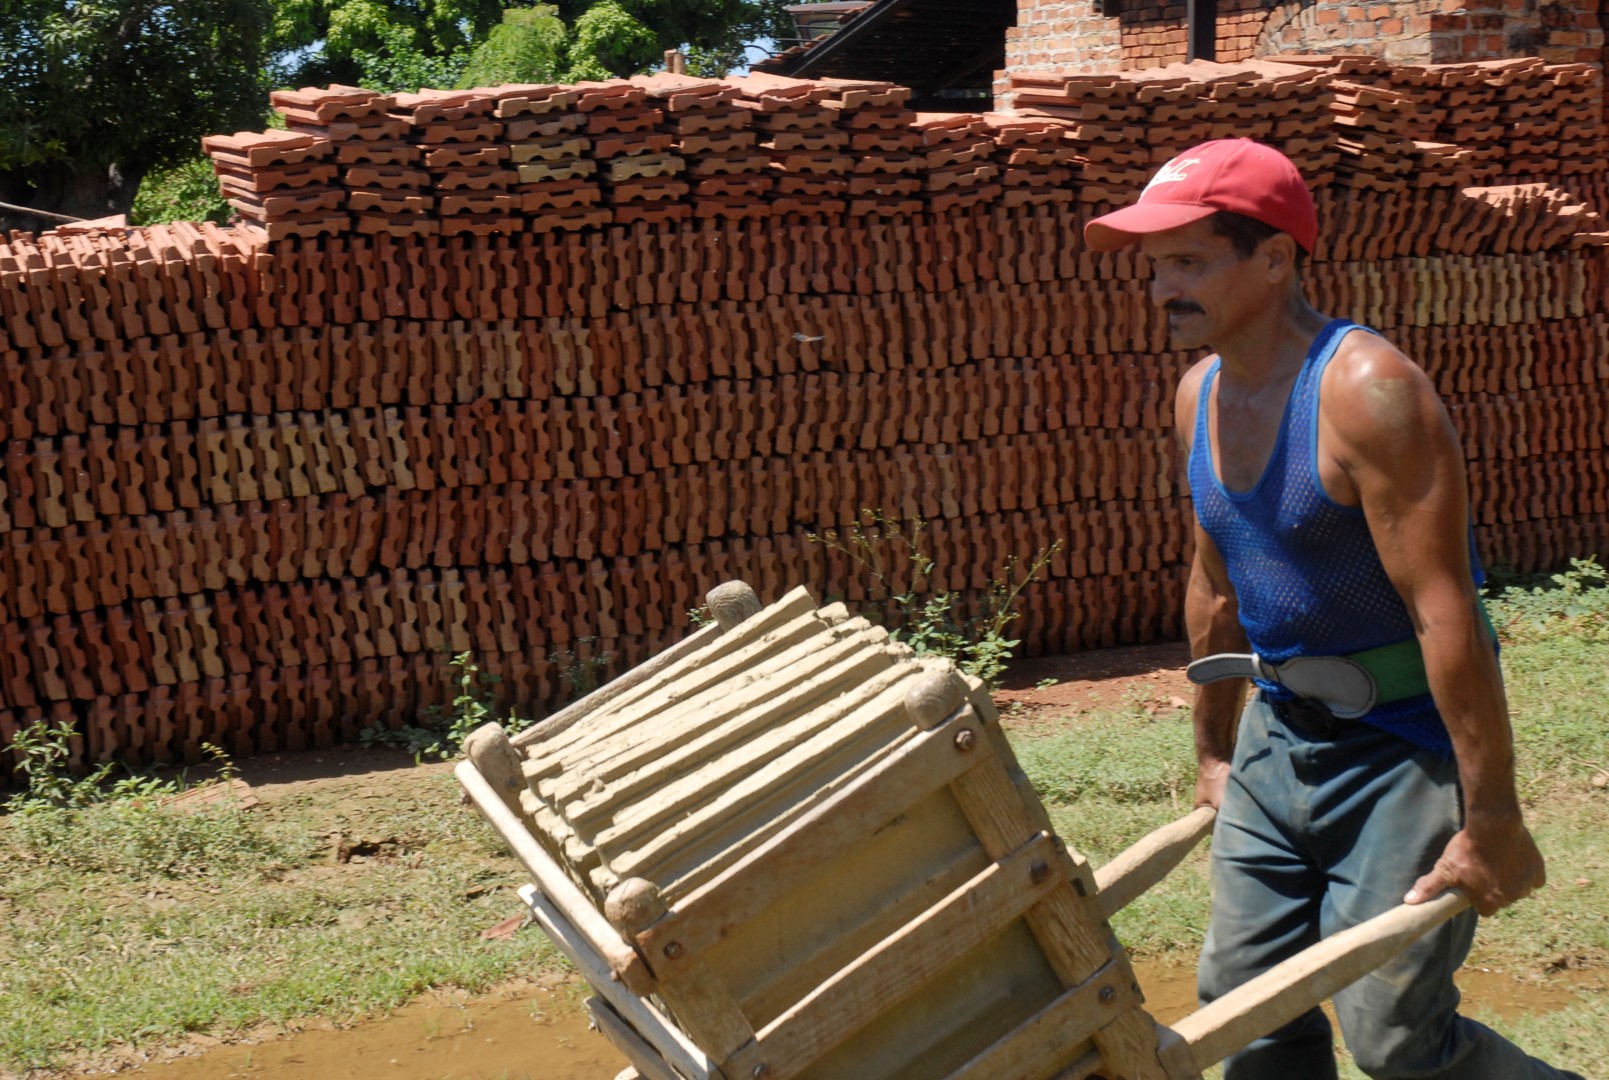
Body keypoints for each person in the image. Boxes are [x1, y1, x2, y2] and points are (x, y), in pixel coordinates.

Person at [1082, 139, 1582, 1079]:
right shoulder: (1199, 395)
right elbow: (1214, 587)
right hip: (1278, 744)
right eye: (1154, 267)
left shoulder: (1365, 393)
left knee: (1395, 1039)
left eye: (1187, 261)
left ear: (1273, 258)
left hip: (1395, 750)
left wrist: (1493, 818)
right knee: (1245, 1012)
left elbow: (1447, 616)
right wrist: (1214, 755)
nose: (1160, 289)